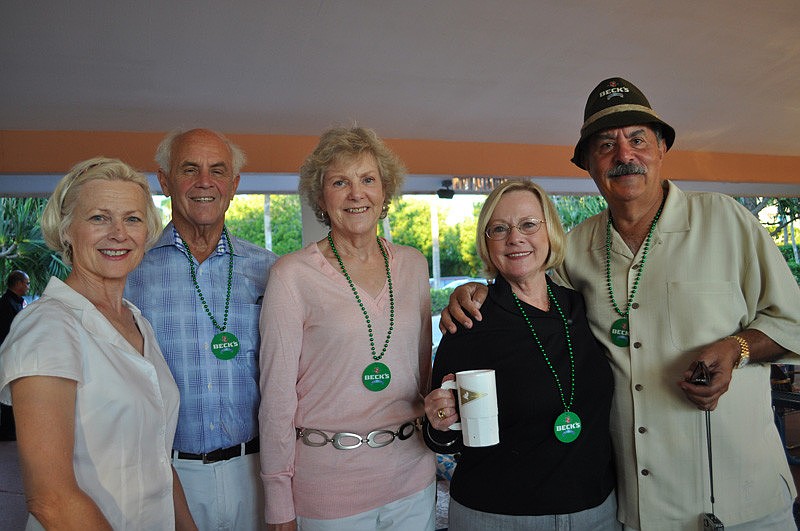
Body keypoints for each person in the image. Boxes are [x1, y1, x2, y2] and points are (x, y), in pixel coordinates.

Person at [443, 77, 800, 530]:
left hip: (744, 495)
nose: (624, 155)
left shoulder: (727, 221)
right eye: (606, 145)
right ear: (588, 164)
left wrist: (737, 348)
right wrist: (475, 291)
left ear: (661, 149)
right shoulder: (575, 248)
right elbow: (524, 286)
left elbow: (793, 320)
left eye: (637, 140)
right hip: (638, 507)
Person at [0, 157, 196, 529]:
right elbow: (51, 499)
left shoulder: (137, 321)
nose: (119, 233)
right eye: (99, 218)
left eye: (133, 219)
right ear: (67, 230)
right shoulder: (47, 328)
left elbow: (157, 462)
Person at [259, 126, 435, 530]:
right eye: (340, 182)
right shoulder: (291, 276)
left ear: (384, 192)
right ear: (321, 197)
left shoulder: (413, 265)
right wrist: (278, 502)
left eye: (368, 180)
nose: (356, 194)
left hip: (413, 474)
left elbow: (421, 375)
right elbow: (276, 398)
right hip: (328, 486)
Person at [424, 180, 617, 530]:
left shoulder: (579, 306)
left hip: (594, 510)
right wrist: (439, 419)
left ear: (550, 232)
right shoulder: (470, 320)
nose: (515, 238)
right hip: (495, 515)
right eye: (499, 229)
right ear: (487, 243)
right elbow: (439, 433)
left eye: (528, 224)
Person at [125, 129, 278, 530]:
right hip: (166, 475)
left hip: (258, 469)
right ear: (164, 181)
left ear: (234, 185)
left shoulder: (271, 270)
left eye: (218, 171)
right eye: (189, 169)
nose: (204, 182)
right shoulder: (129, 274)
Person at [0, 269, 29, 440]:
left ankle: (12, 429)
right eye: (26, 283)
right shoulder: (5, 304)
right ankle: (7, 430)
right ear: (17, 283)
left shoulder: (18, 302)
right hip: (8, 354)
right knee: (7, 392)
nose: (28, 286)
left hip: (17, 354)